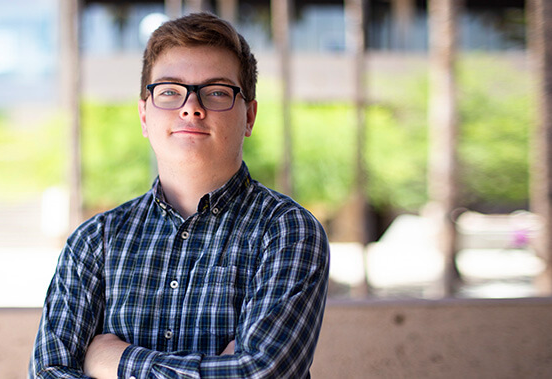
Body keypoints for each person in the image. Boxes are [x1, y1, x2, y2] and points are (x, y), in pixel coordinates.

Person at [30, 12, 329, 379]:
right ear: (144, 114)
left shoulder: (287, 232)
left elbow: (262, 373)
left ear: (249, 116)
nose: (191, 107)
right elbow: (48, 373)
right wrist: (221, 368)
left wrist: (116, 361)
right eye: (170, 91)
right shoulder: (95, 242)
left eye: (217, 92)